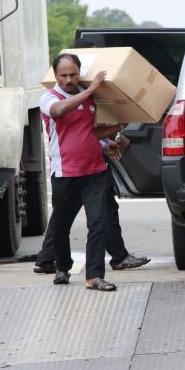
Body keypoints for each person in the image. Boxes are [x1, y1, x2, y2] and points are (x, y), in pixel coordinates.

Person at [40, 52, 125, 291]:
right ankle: (62, 267)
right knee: (60, 226)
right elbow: (58, 111)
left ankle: (94, 275)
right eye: (63, 75)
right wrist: (90, 91)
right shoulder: (49, 97)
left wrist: (114, 133)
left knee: (98, 222)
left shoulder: (90, 99)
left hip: (95, 171)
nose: (69, 79)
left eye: (73, 74)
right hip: (65, 173)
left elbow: (89, 132)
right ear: (55, 75)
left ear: (79, 73)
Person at [33, 133, 150, 274]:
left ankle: (47, 257)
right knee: (101, 212)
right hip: (85, 163)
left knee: (64, 215)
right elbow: (85, 130)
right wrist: (111, 139)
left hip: (72, 163)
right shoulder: (68, 119)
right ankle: (116, 258)